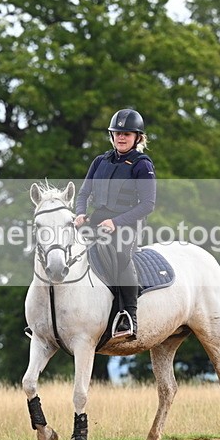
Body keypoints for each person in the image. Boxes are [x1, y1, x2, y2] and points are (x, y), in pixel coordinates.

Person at [74, 108, 157, 339]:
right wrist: (80, 214)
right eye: (117, 133)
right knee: (64, 249)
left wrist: (117, 222)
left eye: (127, 134)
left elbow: (147, 205)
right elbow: (83, 195)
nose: (121, 137)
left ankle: (129, 316)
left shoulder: (143, 164)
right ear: (111, 136)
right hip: (98, 221)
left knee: (119, 256)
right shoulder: (100, 161)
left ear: (137, 137)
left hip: (128, 225)